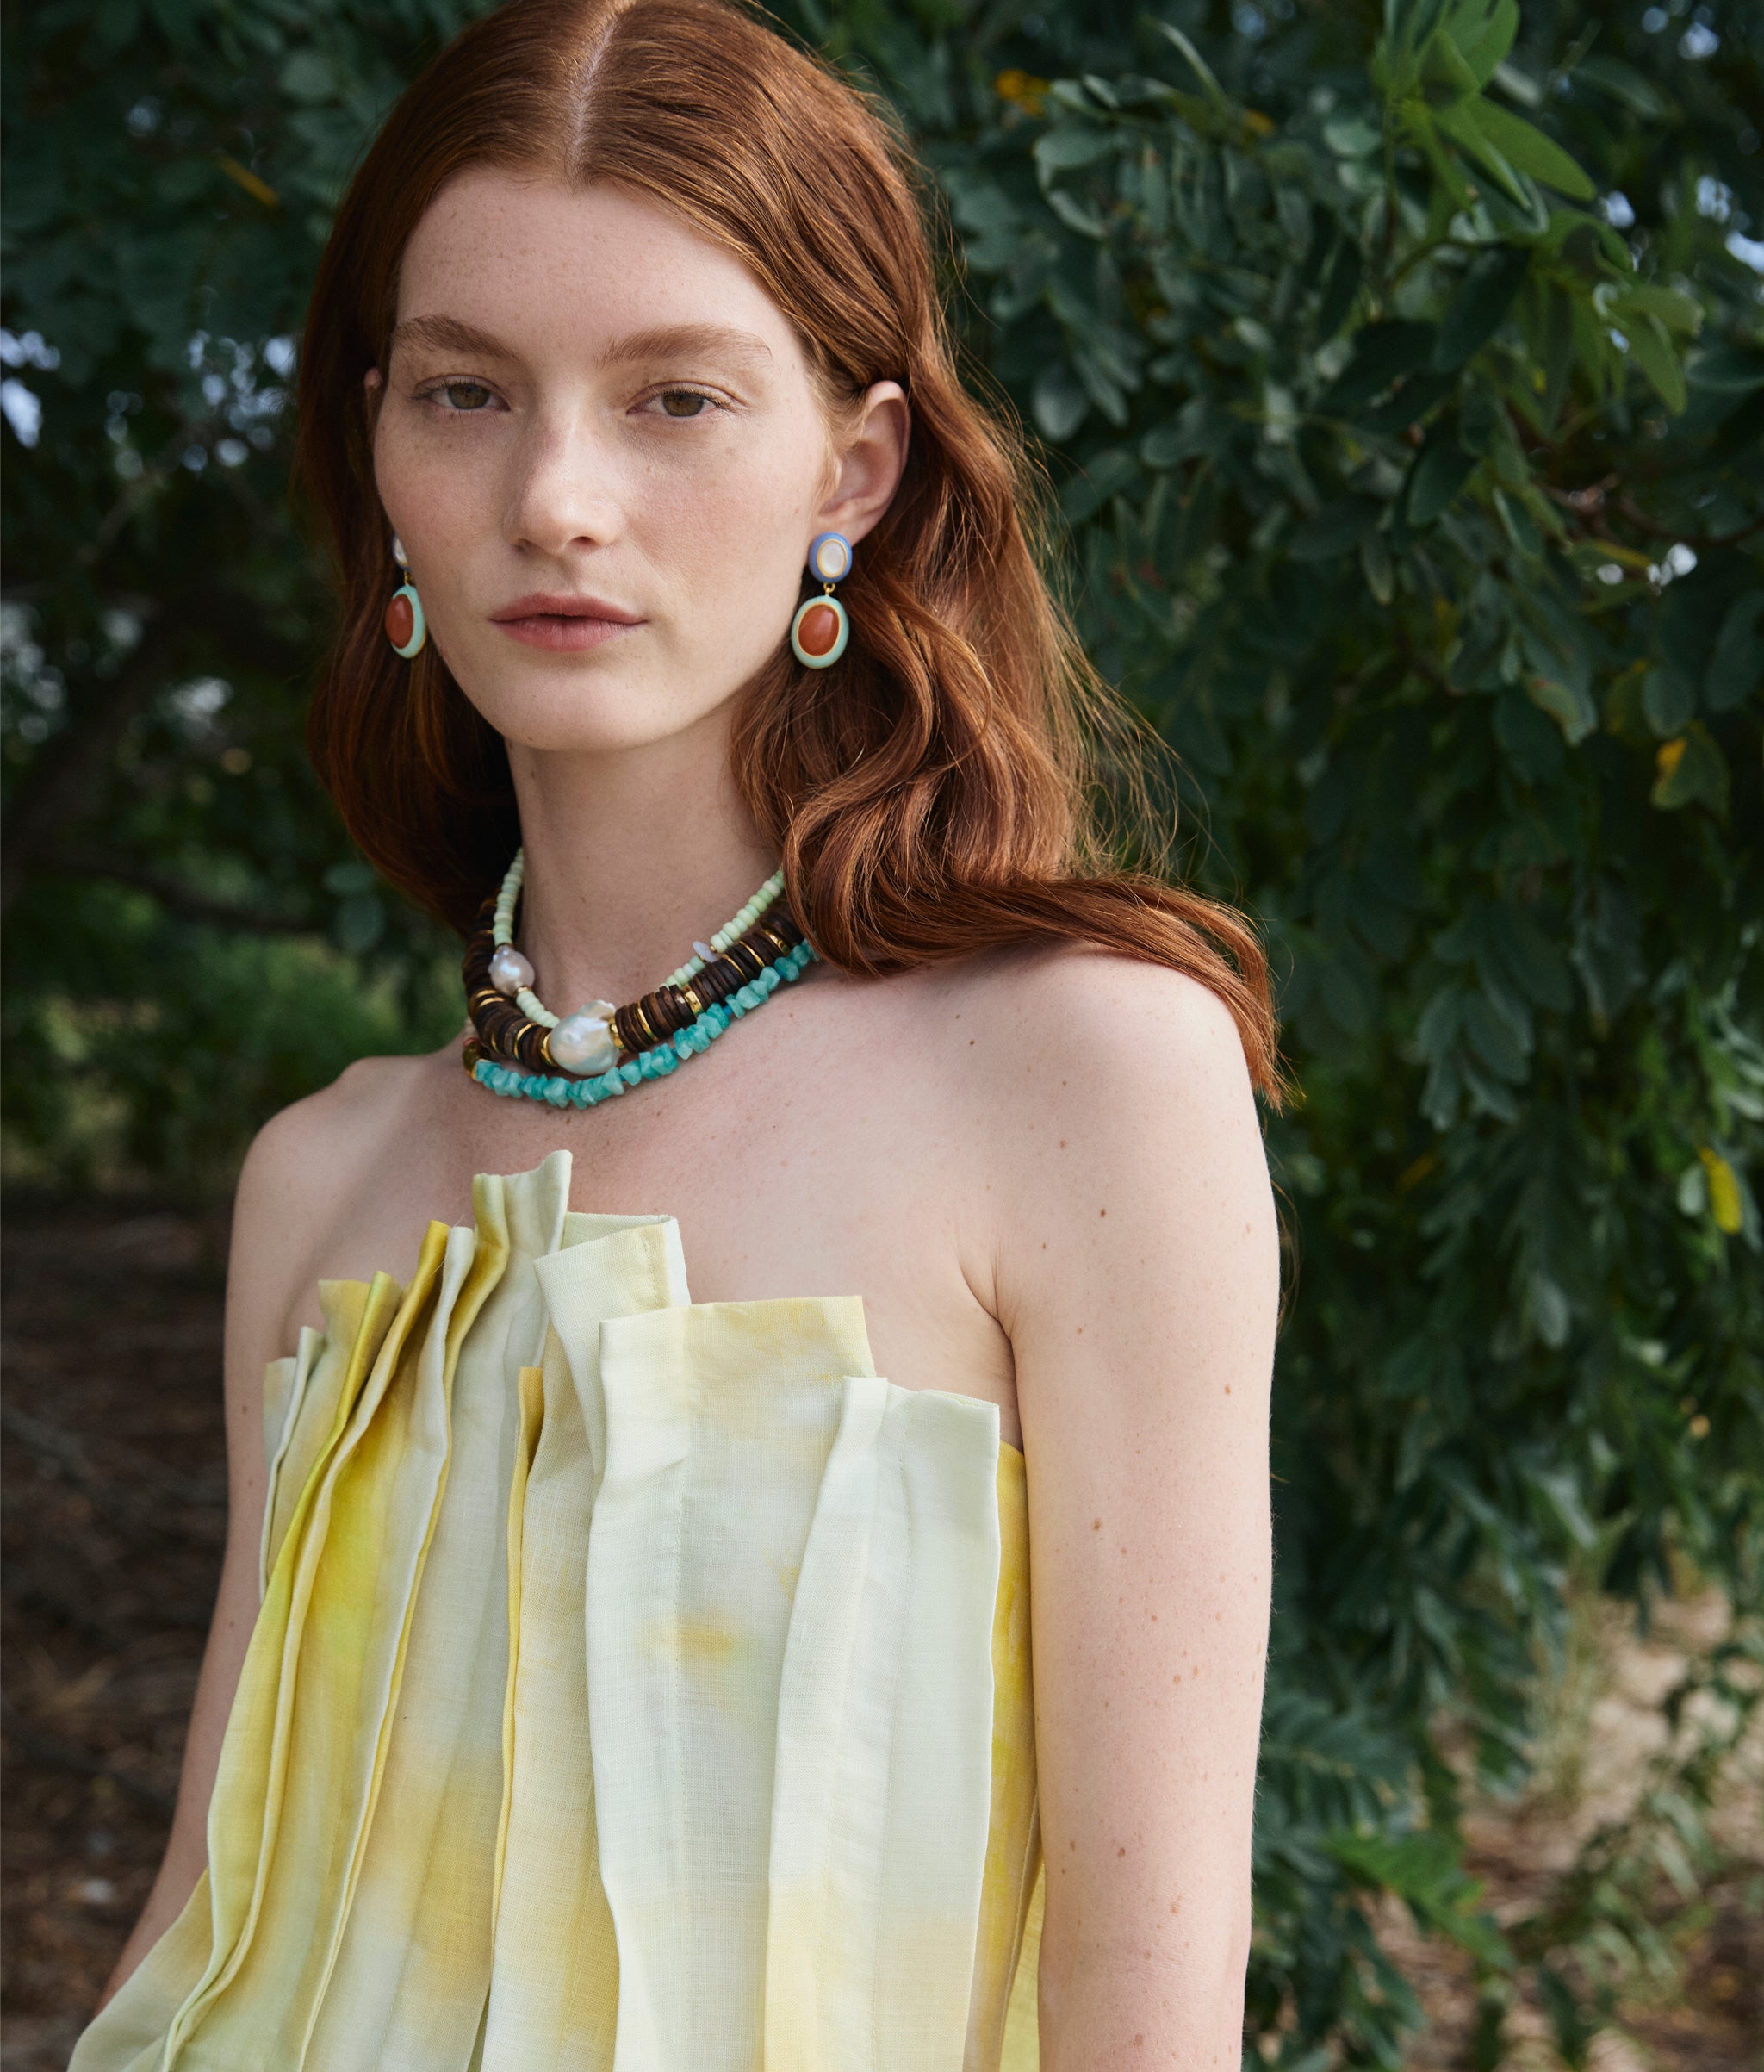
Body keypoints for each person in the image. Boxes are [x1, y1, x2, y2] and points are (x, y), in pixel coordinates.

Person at [72, 0, 1282, 2064]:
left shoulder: (1089, 1077)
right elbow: (215, 1910)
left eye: (675, 399)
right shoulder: (324, 1177)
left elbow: (1147, 2002)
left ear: (857, 470)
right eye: (466, 392)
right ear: (377, 455)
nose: (555, 496)